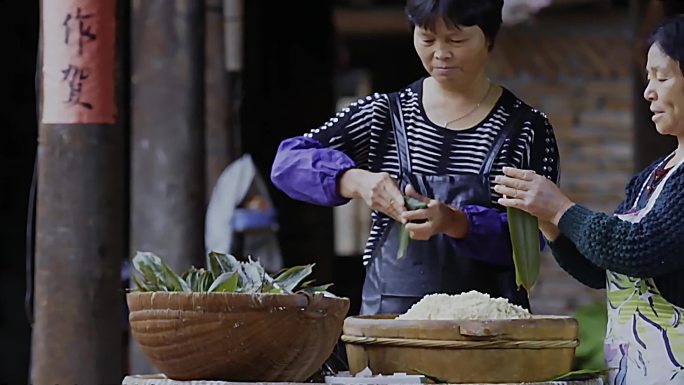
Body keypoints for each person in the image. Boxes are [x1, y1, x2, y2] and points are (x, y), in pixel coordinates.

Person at [271, 0, 560, 315]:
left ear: (489, 37)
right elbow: (287, 162)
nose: (440, 53)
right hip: (390, 323)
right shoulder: (382, 114)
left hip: (488, 326)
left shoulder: (525, 129)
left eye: (456, 40)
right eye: (427, 39)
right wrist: (354, 180)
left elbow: (529, 240)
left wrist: (456, 222)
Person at [494, 15, 684, 385]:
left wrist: (561, 208)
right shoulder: (652, 176)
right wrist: (549, 223)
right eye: (648, 78)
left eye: (662, 77)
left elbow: (639, 250)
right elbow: (603, 270)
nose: (648, 91)